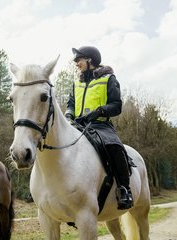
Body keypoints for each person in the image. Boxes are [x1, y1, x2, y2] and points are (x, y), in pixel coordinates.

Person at [65, 46, 133, 210]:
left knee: (114, 147)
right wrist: (68, 115)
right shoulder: (77, 83)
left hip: (100, 125)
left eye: (79, 60)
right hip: (78, 125)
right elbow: (71, 105)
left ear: (90, 60)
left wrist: (99, 112)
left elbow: (117, 106)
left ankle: (124, 189)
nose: (77, 64)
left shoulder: (109, 79)